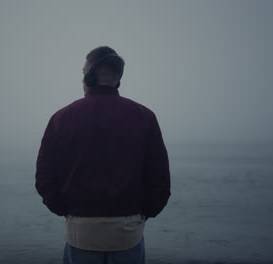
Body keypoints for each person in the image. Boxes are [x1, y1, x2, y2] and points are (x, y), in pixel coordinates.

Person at [35, 46, 171, 264]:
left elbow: (45, 177)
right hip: (128, 234)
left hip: (80, 234)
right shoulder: (145, 117)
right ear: (117, 79)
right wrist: (143, 215)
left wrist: (64, 211)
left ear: (90, 77)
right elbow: (160, 179)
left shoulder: (61, 118)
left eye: (83, 73)